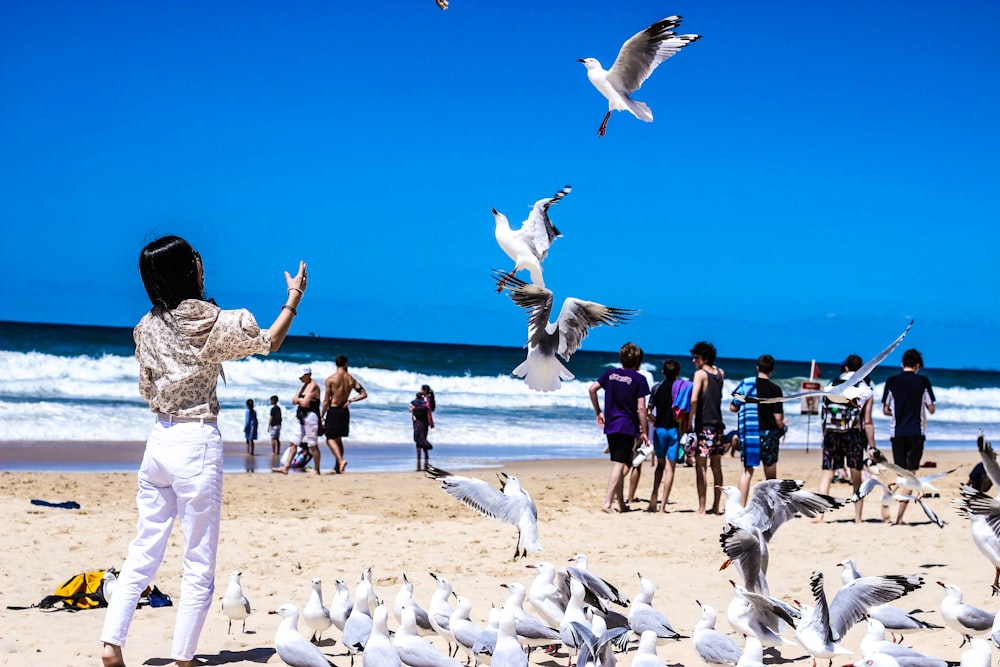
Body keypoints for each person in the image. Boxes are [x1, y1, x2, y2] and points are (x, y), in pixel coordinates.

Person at [100, 235, 306, 667]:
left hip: (158, 441)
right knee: (198, 559)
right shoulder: (209, 321)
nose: (201, 262)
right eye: (195, 257)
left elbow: (147, 388)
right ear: (186, 269)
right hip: (196, 442)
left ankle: (111, 644)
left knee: (144, 548)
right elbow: (269, 341)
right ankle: (183, 658)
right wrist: (293, 298)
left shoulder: (146, 327)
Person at [588, 342, 650, 514]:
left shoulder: (611, 374)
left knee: (618, 461)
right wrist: (644, 431)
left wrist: (598, 412)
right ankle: (607, 503)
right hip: (626, 426)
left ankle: (621, 504)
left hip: (611, 425)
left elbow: (592, 389)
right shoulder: (639, 379)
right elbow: (642, 408)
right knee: (620, 464)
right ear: (638, 362)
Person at [818, 354, 876, 524]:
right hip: (854, 436)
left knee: (827, 474)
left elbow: (823, 413)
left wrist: (825, 435)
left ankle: (820, 515)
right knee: (856, 478)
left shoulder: (831, 384)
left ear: (845, 368)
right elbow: (867, 422)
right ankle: (858, 518)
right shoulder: (865, 388)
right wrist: (872, 446)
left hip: (831, 434)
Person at [883, 348, 936, 524]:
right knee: (911, 477)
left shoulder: (891, 381)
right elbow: (931, 408)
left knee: (900, 472)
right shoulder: (923, 381)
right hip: (915, 433)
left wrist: (898, 413)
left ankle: (887, 496)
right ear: (917, 366)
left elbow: (885, 410)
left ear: (902, 364)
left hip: (896, 433)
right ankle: (899, 518)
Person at [730, 354, 786, 506]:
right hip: (769, 435)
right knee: (771, 477)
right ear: (772, 370)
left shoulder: (747, 386)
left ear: (757, 368)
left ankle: (740, 508)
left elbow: (732, 407)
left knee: (746, 472)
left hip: (750, 435)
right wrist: (783, 425)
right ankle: (771, 509)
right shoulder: (776, 389)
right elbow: (778, 420)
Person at [645, 359, 688, 512]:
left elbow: (648, 411)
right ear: (677, 373)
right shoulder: (680, 390)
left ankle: (654, 496)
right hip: (674, 431)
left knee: (660, 465)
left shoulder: (656, 388)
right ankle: (663, 506)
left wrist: (653, 420)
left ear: (663, 372)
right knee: (670, 468)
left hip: (659, 430)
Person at [689, 341, 726, 515]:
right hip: (718, 424)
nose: (693, 360)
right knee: (716, 467)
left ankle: (702, 507)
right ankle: (716, 507)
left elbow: (694, 399)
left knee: (701, 466)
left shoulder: (700, 374)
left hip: (704, 425)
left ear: (704, 358)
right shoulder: (720, 373)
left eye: (696, 357)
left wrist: (689, 421)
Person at [322, 355, 368, 474]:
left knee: (329, 439)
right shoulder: (351, 379)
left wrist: (321, 414)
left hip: (334, 410)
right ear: (346, 363)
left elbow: (326, 400)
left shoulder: (330, 379)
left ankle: (341, 461)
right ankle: (338, 468)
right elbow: (363, 394)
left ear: (336, 364)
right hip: (344, 410)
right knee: (338, 439)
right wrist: (351, 400)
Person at [272, 366, 322, 475]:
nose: (300, 379)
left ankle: (317, 469)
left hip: (311, 416)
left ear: (308, 375)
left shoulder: (314, 386)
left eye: (302, 376)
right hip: (301, 416)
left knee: (312, 444)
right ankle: (286, 467)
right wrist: (300, 400)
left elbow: (305, 403)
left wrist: (299, 400)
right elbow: (294, 400)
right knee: (293, 441)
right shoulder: (303, 386)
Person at [410, 390, 434, 471]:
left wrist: (413, 412)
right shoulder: (425, 403)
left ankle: (419, 457)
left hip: (417, 423)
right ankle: (426, 455)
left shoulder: (414, 403)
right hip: (425, 423)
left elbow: (411, 411)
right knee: (423, 438)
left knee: (418, 440)